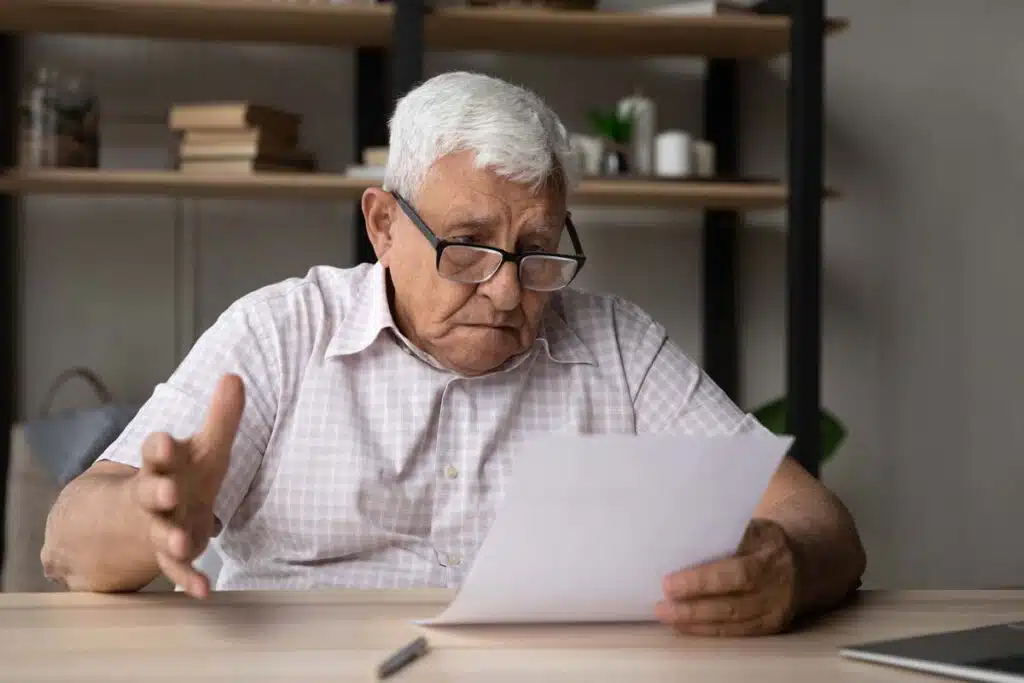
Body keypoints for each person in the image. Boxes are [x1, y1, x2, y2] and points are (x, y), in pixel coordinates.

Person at [41, 71, 865, 637]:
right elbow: (67, 539)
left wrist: (785, 561)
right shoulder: (281, 331)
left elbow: (819, 520)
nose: (508, 293)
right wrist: (148, 518)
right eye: (467, 247)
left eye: (537, 250)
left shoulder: (615, 343)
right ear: (385, 226)